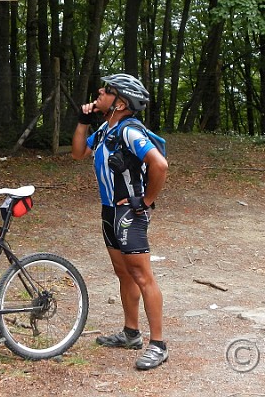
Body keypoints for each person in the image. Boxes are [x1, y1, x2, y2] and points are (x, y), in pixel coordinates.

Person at [72, 73, 169, 370]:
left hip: (130, 213)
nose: (99, 91)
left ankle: (159, 344)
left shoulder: (129, 132)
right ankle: (130, 333)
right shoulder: (105, 130)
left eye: (108, 90)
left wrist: (146, 200)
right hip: (109, 211)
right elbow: (78, 153)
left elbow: (160, 164)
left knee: (142, 275)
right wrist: (82, 119)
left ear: (121, 102)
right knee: (123, 274)